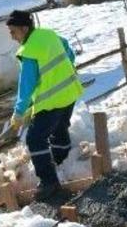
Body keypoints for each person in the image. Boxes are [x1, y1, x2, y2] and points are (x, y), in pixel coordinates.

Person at [7, 10, 82, 201]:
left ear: (24, 28)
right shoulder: (49, 34)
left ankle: (49, 182)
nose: (12, 36)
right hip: (70, 92)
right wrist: (62, 72)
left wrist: (18, 112)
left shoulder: (30, 49)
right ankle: (61, 159)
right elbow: (69, 53)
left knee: (34, 139)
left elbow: (27, 84)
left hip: (52, 101)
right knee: (59, 128)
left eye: (14, 31)